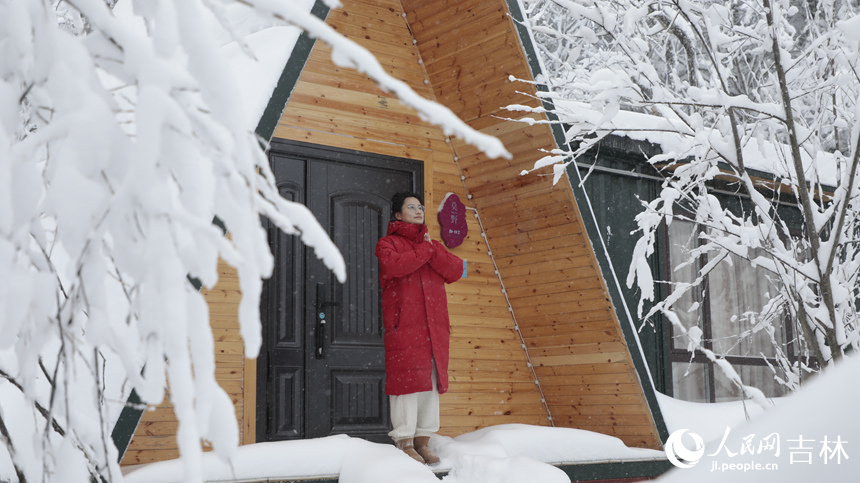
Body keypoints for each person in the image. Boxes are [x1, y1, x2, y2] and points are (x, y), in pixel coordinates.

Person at [374, 192, 464, 465]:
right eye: (411, 207)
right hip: (405, 326)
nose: (418, 210)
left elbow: (456, 270)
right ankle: (404, 441)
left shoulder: (432, 245)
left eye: (420, 206)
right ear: (398, 215)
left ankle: (423, 441)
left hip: (433, 327)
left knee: (430, 383)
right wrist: (426, 250)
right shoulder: (387, 243)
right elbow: (395, 266)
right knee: (407, 385)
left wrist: (432, 249)